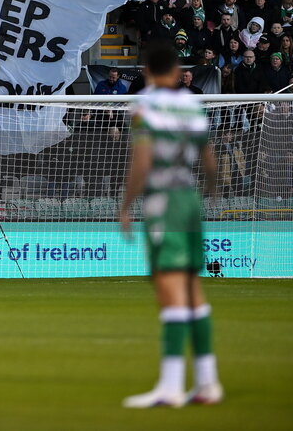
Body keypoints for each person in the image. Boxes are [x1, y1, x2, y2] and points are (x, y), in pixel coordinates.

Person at [119, 42, 222, 408]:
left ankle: (171, 385)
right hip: (190, 198)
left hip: (164, 199)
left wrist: (126, 206)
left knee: (170, 286)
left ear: (146, 70)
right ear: (178, 71)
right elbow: (210, 159)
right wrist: (209, 194)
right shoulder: (192, 104)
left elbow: (143, 159)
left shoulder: (145, 105)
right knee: (193, 288)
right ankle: (208, 382)